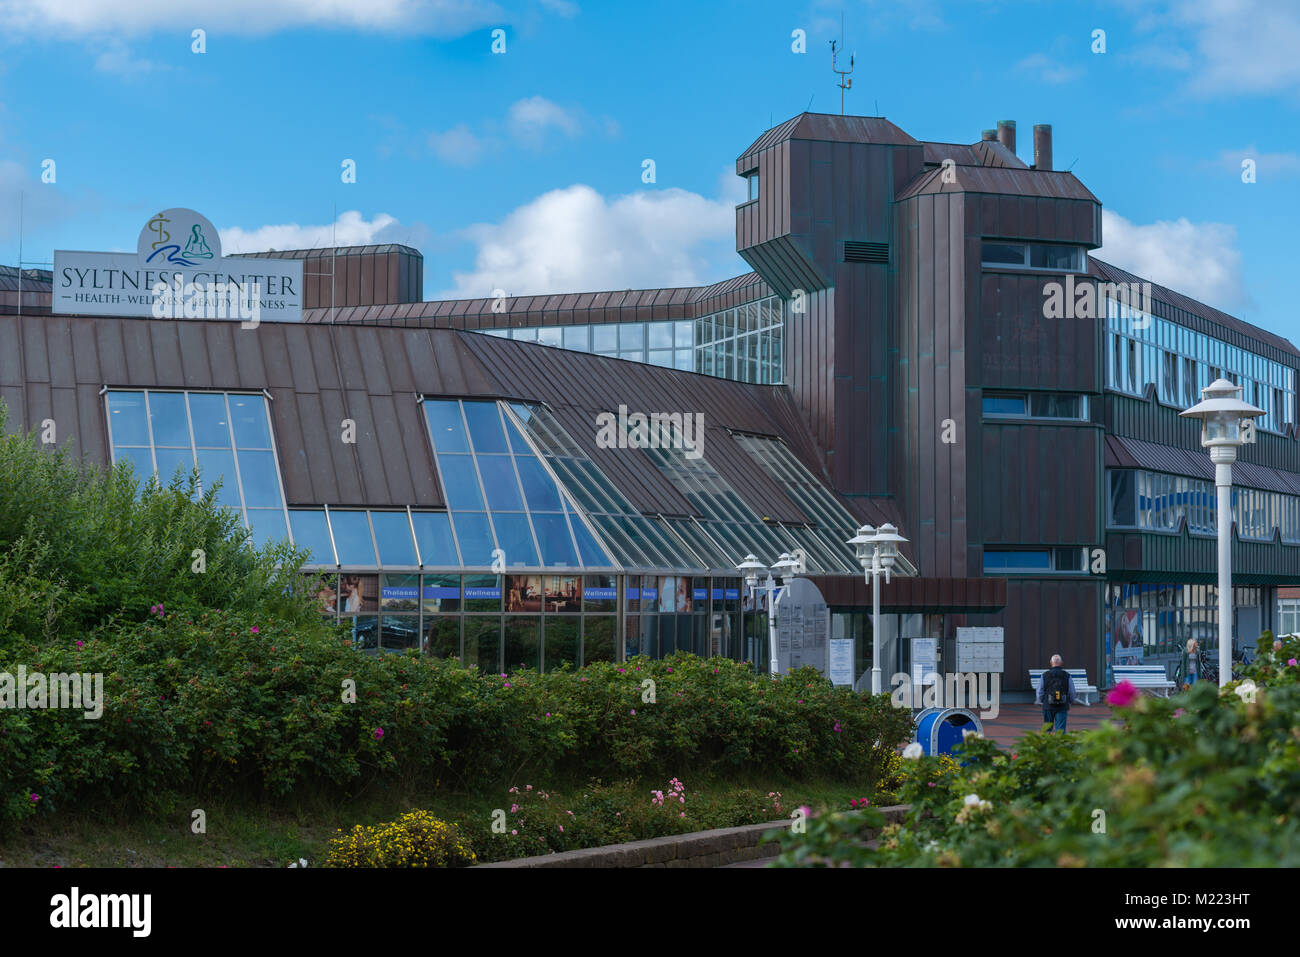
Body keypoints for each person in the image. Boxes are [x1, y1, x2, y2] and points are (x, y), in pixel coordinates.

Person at [1036, 654, 1079, 733]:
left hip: (1048, 705)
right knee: (1061, 730)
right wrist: (1070, 701)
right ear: (1061, 662)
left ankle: (1047, 744)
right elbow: (1072, 691)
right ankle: (1060, 744)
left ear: (1050, 662)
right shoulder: (1067, 675)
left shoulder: (1045, 675)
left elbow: (1040, 691)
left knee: (1047, 729)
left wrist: (1041, 701)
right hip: (1062, 705)